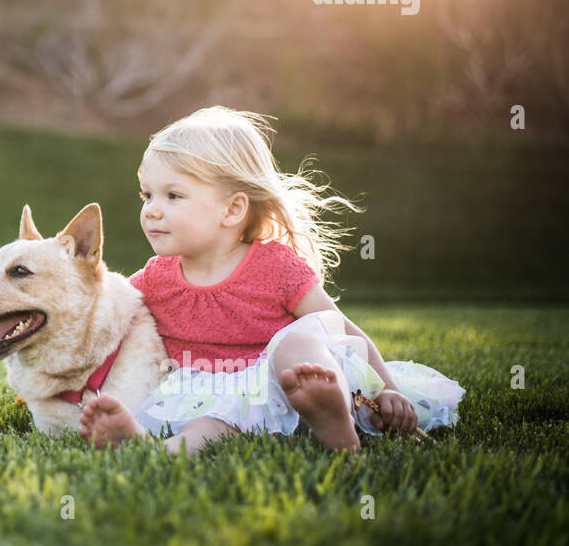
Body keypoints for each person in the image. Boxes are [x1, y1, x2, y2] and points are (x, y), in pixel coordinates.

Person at [78, 106, 465, 456]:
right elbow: (106, 334)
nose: (151, 211)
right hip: (212, 397)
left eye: (173, 195)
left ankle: (332, 417)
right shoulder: (153, 279)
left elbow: (341, 328)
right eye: (147, 195)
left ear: (232, 209)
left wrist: (388, 388)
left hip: (287, 383)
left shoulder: (276, 266)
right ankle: (156, 450)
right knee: (209, 424)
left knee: (298, 342)